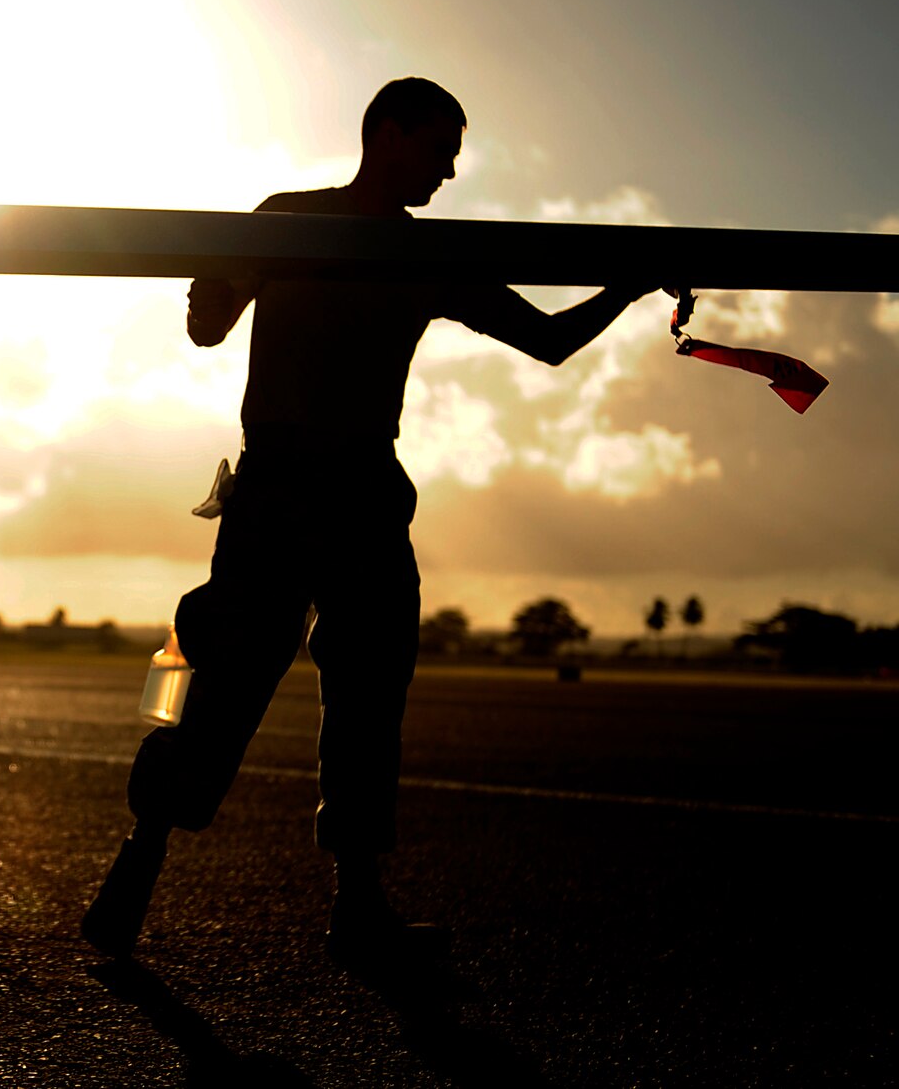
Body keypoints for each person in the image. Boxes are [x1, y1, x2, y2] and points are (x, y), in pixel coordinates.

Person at [80, 78, 656, 965]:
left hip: (361, 490)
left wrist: (627, 287)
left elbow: (545, 341)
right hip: (278, 487)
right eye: (440, 149)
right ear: (387, 135)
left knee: (369, 695)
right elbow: (207, 327)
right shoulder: (285, 219)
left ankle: (357, 905)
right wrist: (216, 274)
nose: (450, 171)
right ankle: (139, 857)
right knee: (208, 671)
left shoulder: (422, 255)